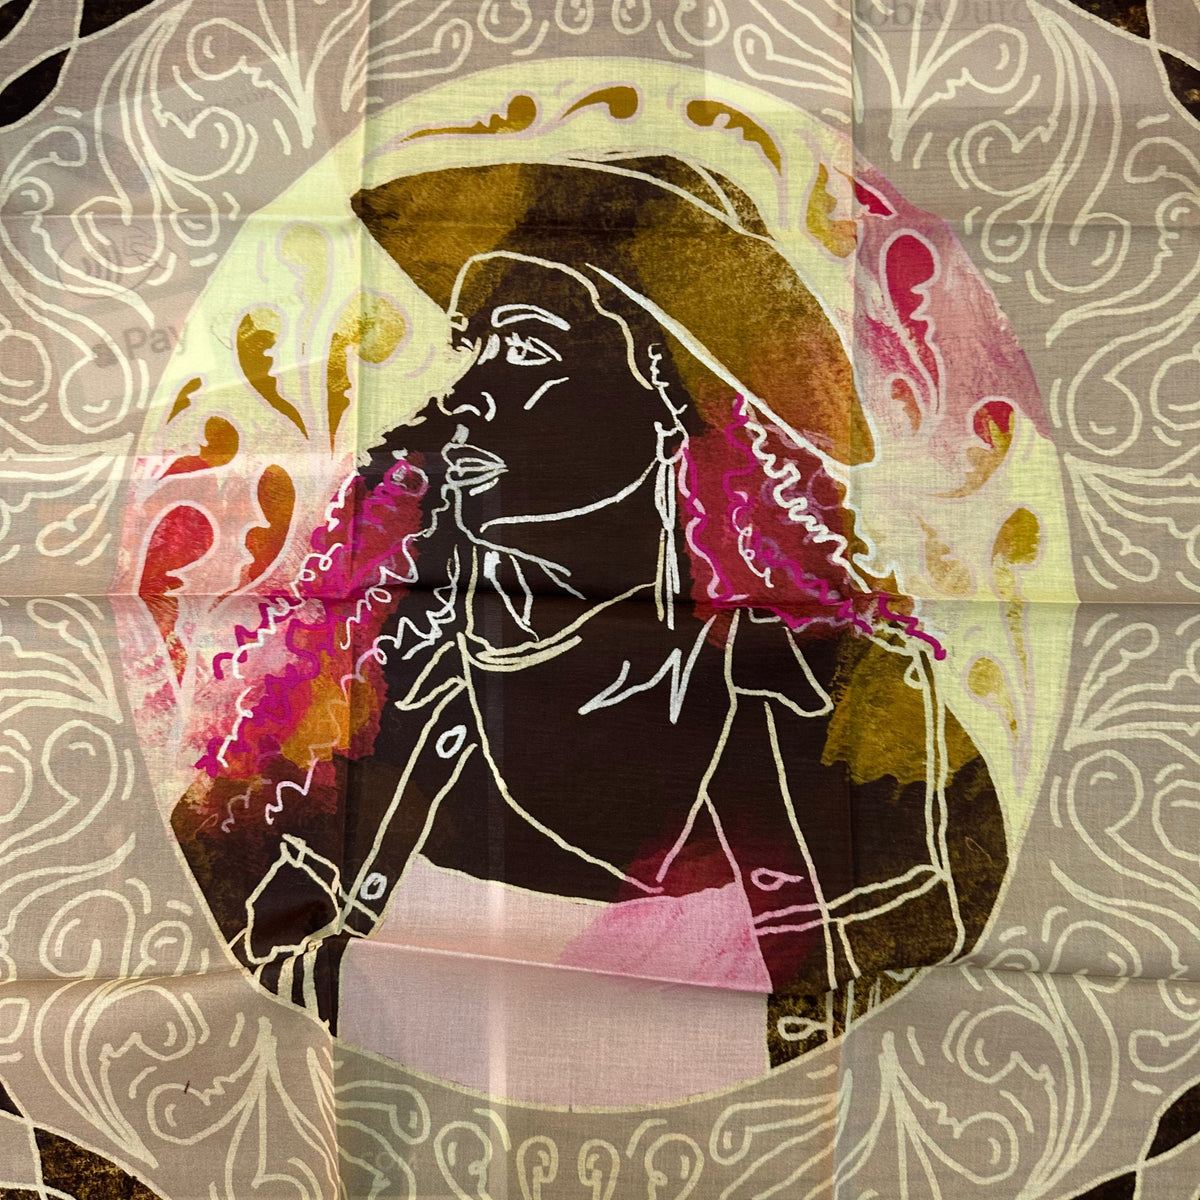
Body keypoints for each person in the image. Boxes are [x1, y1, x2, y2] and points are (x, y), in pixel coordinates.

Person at [171, 155, 1007, 1056]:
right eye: (476, 351)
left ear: (670, 404)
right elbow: (198, 955)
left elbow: (923, 1029)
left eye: (529, 349)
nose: (465, 400)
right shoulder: (371, 681)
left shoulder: (844, 712)